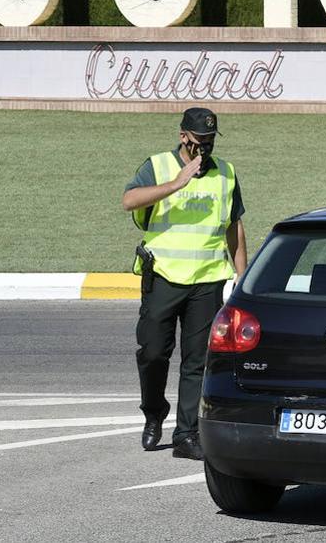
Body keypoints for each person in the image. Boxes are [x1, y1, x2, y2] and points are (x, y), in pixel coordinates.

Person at [122, 107, 246, 460]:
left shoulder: (226, 173)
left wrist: (242, 275)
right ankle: (153, 411)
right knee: (153, 353)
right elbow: (128, 200)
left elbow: (234, 227)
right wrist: (177, 183)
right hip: (164, 276)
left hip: (208, 279)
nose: (203, 149)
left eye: (209, 142)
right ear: (183, 137)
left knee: (197, 361)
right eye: (198, 142)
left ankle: (186, 434)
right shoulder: (158, 165)